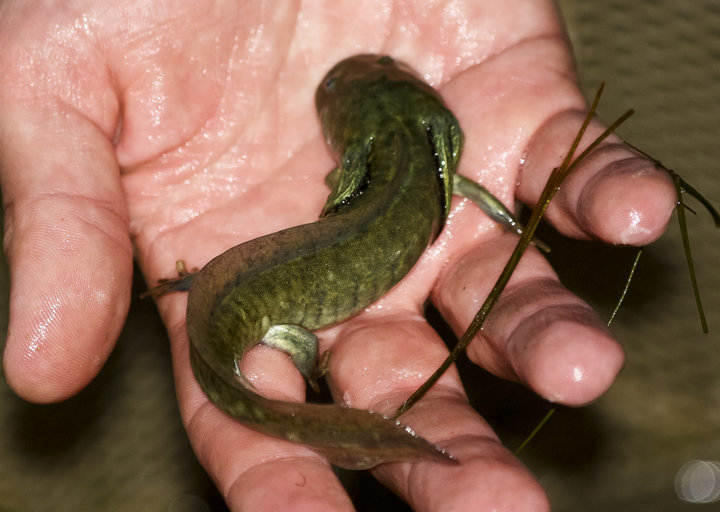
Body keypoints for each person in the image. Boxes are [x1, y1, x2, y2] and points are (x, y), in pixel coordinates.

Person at [0, 1, 677, 510]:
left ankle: (273, 336)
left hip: (267, 275)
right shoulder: (442, 168)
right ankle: (278, 346)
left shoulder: (394, 164)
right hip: (269, 285)